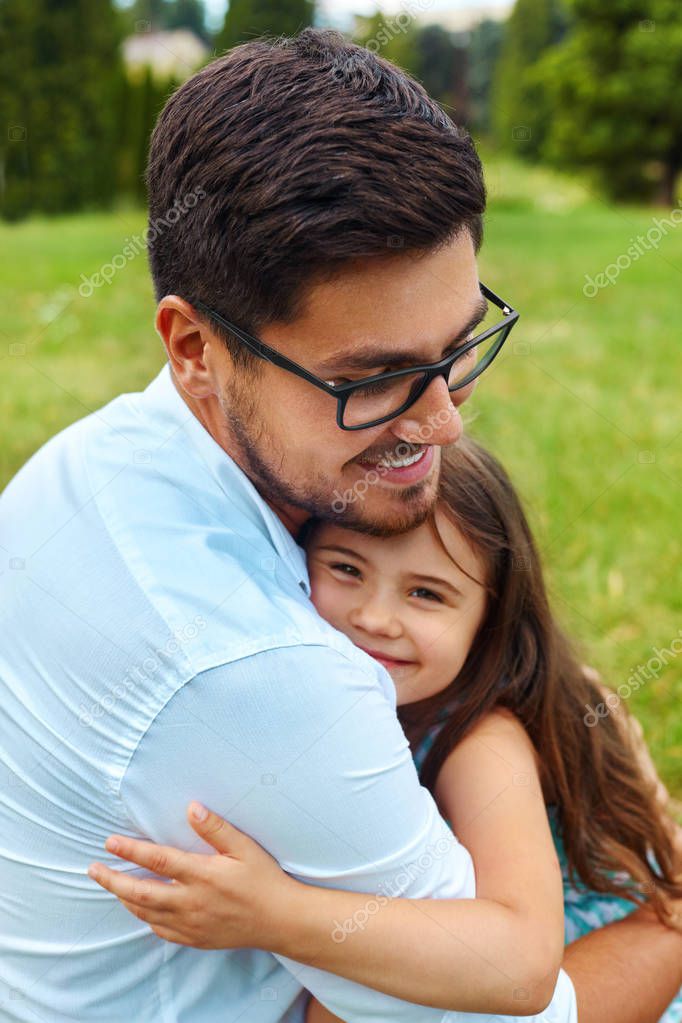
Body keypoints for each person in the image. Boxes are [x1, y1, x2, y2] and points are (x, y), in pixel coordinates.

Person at [1, 27, 681, 1023]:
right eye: (373, 380)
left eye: (456, 348)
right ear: (195, 345)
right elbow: (517, 1003)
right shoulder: (249, 666)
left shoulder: (91, 461)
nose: (444, 419)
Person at [90, 437, 682, 1023]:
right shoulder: (303, 702)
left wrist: (271, 914)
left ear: (488, 622)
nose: (374, 618)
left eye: (426, 593)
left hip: (594, 973)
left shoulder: (481, 744)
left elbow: (525, 951)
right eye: (346, 569)